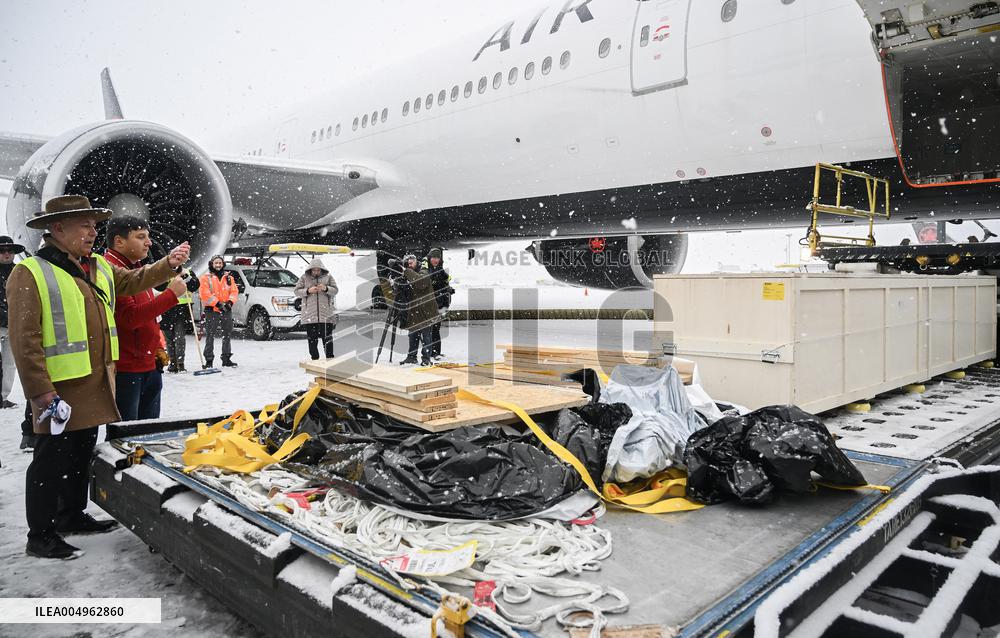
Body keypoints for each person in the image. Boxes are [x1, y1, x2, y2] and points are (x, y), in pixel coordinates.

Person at [7, 194, 189, 559]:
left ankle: (71, 515)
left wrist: (167, 265)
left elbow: (135, 280)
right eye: (85, 225)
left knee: (79, 454)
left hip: (93, 383)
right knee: (49, 460)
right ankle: (40, 534)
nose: (94, 232)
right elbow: (24, 341)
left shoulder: (97, 267)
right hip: (57, 389)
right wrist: (40, 392)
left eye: (94, 225)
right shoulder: (30, 272)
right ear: (57, 228)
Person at [104, 215, 188, 421]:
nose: (149, 243)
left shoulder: (135, 268)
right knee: (129, 435)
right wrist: (171, 295)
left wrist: (157, 348)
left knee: (146, 430)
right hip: (128, 370)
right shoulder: (113, 271)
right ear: (119, 241)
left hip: (147, 363)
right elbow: (129, 318)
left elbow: (149, 318)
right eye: (141, 237)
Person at [395, 254, 439, 366]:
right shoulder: (407, 273)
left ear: (416, 261)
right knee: (413, 335)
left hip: (426, 310)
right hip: (414, 310)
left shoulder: (423, 270)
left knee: (426, 336)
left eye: (411, 262)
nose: (410, 264)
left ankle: (426, 358)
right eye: (407, 263)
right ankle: (411, 357)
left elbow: (421, 283)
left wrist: (405, 271)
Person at [294, 258, 338, 360]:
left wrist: (326, 289)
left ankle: (329, 358)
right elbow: (296, 291)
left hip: (326, 314)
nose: (316, 272)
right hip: (309, 314)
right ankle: (314, 358)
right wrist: (308, 291)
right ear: (310, 269)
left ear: (322, 269)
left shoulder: (328, 277)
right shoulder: (304, 278)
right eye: (314, 270)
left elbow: (335, 290)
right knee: (312, 339)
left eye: (318, 270)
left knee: (327, 338)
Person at [199, 255, 239, 368]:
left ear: (223, 264)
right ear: (211, 264)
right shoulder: (205, 278)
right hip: (211, 310)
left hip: (226, 310)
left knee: (227, 334)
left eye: (220, 263)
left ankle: (226, 358)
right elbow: (204, 293)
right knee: (210, 335)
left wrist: (230, 303)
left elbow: (234, 291)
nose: (218, 265)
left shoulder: (229, 278)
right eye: (216, 263)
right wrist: (217, 304)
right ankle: (209, 360)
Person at [161, 269, 200, 373]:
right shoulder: (163, 270)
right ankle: (172, 363)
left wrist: (185, 276)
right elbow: (159, 287)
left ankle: (180, 363)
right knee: (169, 338)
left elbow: (194, 286)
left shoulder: (188, 271)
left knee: (180, 337)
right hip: (166, 307)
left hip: (182, 309)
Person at [423, 247, 454, 360]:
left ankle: (436, 352)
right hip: (429, 304)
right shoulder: (426, 270)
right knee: (429, 330)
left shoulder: (441, 271)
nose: (435, 260)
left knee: (436, 328)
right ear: (429, 258)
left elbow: (445, 284)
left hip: (440, 304)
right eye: (433, 258)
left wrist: (449, 289)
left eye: (437, 258)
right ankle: (429, 352)